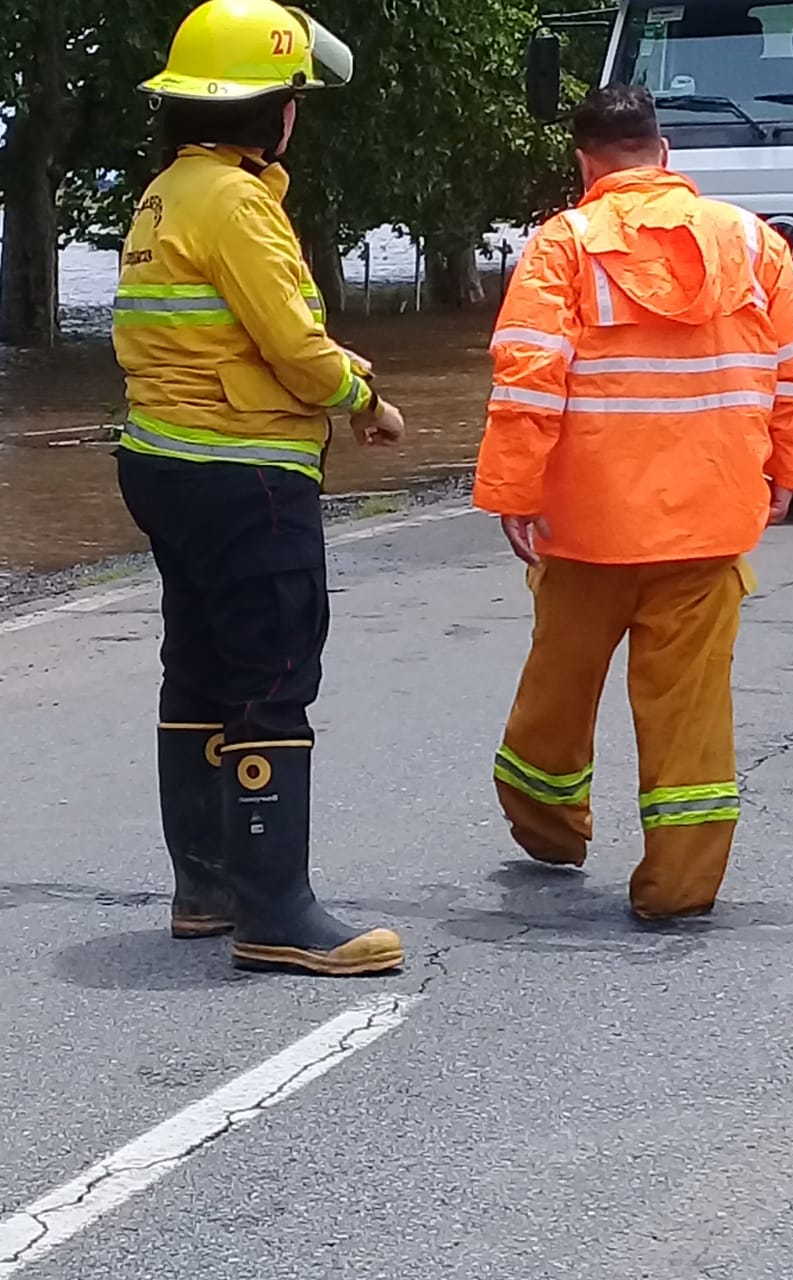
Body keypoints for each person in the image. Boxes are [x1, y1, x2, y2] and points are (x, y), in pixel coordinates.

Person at [474, 86, 793, 920]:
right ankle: (678, 886)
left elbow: (527, 380)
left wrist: (514, 492)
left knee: (557, 690)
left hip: (586, 525)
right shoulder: (752, 243)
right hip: (710, 523)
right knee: (690, 714)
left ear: (585, 160)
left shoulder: (562, 246)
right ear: (663, 151)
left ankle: (550, 823)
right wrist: (792, 469)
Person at [113, 0, 405, 976]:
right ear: (271, 107)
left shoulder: (166, 194)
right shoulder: (241, 204)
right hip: (246, 474)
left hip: (164, 465)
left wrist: (325, 361)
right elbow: (289, 345)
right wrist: (360, 394)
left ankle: (207, 887)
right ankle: (277, 911)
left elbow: (213, 333)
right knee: (274, 679)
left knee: (196, 666)